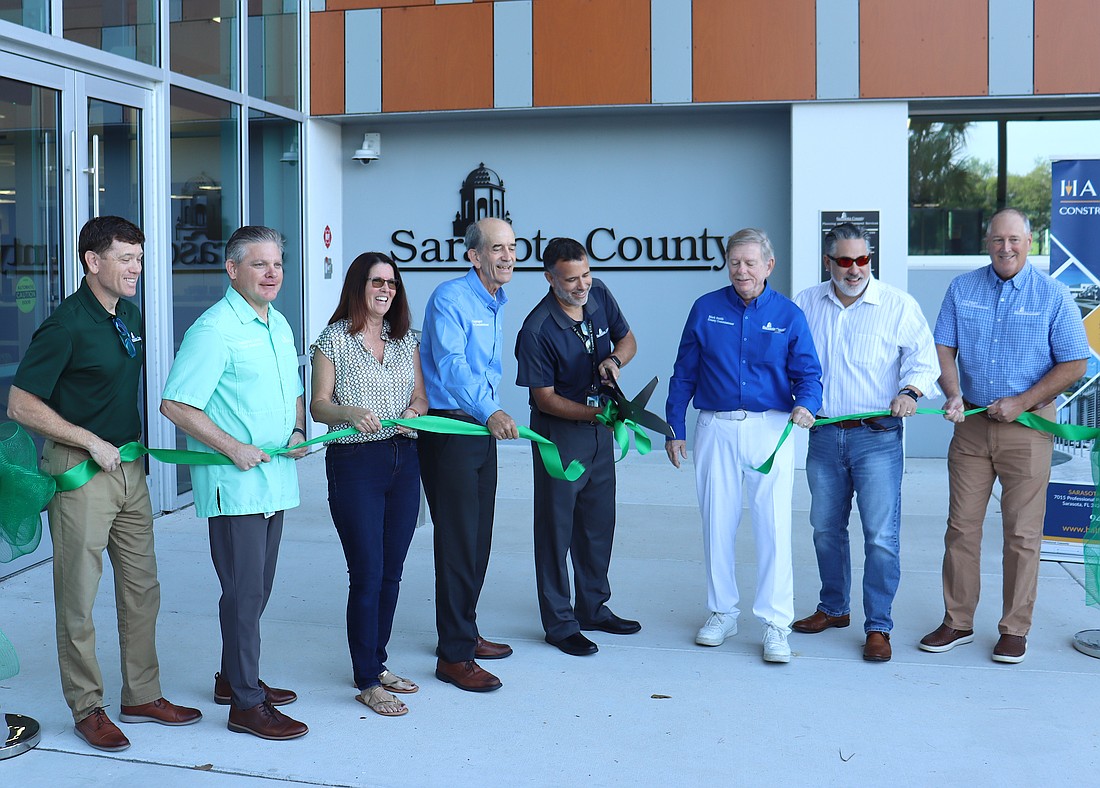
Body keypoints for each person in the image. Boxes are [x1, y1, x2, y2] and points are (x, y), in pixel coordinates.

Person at [7, 216, 200, 752]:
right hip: (81, 471)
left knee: (142, 590)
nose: (137, 268)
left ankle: (142, 694)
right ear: (93, 261)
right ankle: (88, 707)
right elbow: (21, 403)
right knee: (79, 598)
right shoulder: (65, 325)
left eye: (140, 258)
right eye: (126, 258)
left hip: (129, 470)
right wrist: (88, 441)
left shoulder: (129, 315)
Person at [920, 208, 1089, 664]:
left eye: (1015, 239)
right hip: (971, 428)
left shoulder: (1052, 295)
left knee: (1022, 534)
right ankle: (957, 620)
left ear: (1030, 243)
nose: (1006, 247)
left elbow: (1075, 363)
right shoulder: (963, 288)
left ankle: (1015, 629)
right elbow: (944, 345)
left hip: (1027, 431)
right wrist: (952, 393)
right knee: (961, 529)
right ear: (987, 242)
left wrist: (1023, 400)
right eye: (998, 239)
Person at [160, 226, 309, 739]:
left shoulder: (278, 323)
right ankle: (246, 704)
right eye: (259, 265)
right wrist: (232, 447)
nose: (272, 274)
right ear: (232, 269)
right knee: (245, 594)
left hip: (276, 478)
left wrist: (295, 429)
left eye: (277, 264)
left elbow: (294, 388)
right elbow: (176, 404)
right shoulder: (214, 330)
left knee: (257, 590)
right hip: (237, 483)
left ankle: (232, 678)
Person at [665, 228, 821, 664]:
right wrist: (675, 425)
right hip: (715, 428)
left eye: (751, 263)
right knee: (717, 521)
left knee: (773, 527)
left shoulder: (789, 315)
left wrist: (807, 404)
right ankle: (722, 613)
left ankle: (776, 624)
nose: (742, 270)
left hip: (771, 429)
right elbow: (684, 372)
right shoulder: (706, 309)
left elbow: (809, 373)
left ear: (768, 267)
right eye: (735, 262)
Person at [792, 223, 940, 662]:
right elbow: (789, 360)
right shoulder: (805, 304)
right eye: (844, 260)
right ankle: (834, 608)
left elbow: (922, 360)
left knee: (879, 536)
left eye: (862, 260)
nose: (854, 269)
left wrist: (910, 392)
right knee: (824, 529)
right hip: (822, 436)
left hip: (877, 438)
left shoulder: (897, 305)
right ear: (828, 262)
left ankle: (878, 626)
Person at [309, 252, 428, 717]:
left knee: (393, 570)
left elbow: (418, 395)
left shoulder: (405, 340)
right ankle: (365, 679)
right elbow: (320, 406)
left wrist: (416, 411)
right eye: (377, 281)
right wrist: (349, 413)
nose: (386, 290)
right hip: (356, 461)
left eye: (393, 284)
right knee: (368, 571)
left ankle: (377, 663)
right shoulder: (332, 341)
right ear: (358, 286)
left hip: (404, 457)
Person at [515, 237, 640, 657]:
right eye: (571, 280)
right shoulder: (536, 330)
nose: (582, 285)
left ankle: (593, 607)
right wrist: (594, 416)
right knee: (556, 529)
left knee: (598, 523)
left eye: (585, 274)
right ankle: (559, 622)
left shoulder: (600, 293)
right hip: (561, 435)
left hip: (601, 429)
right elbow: (544, 398)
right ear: (550, 279)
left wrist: (614, 362)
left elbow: (628, 340)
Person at [419, 217, 518, 692]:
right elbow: (453, 367)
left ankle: (466, 629)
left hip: (479, 426)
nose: (507, 256)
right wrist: (491, 410)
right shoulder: (451, 298)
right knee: (458, 543)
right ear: (473, 255)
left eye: (512, 248)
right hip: (451, 426)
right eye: (496, 249)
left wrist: (488, 414)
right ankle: (453, 656)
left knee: (478, 539)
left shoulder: (495, 301)